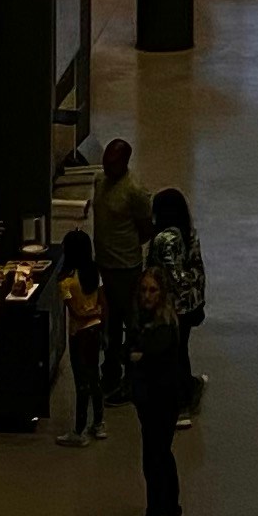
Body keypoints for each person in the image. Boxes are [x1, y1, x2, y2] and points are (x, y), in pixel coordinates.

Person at [120, 269, 185, 516]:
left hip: (160, 401)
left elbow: (142, 356)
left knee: (153, 459)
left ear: (162, 294)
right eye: (144, 290)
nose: (147, 295)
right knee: (162, 453)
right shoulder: (150, 322)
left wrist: (138, 357)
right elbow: (132, 353)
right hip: (155, 400)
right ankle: (171, 506)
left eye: (153, 290)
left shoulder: (163, 328)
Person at [94, 138, 154, 396]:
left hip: (127, 267)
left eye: (112, 163)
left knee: (131, 323)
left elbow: (145, 229)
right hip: (105, 265)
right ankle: (110, 371)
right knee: (110, 322)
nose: (107, 167)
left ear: (125, 163)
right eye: (105, 162)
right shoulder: (100, 182)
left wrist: (126, 248)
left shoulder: (135, 191)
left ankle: (132, 377)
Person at [147, 185, 207, 424]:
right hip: (191, 302)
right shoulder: (188, 233)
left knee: (173, 353)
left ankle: (179, 403)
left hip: (175, 307)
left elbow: (172, 275)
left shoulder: (166, 240)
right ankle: (185, 391)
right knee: (181, 350)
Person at [57, 230, 107, 443]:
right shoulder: (95, 273)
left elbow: (73, 311)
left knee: (81, 382)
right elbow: (103, 302)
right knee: (95, 377)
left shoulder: (66, 281)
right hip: (95, 330)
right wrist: (98, 314)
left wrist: (87, 313)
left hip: (78, 334)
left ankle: (79, 430)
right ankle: (99, 423)